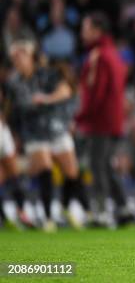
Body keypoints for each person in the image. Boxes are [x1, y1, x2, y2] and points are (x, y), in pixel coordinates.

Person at [6, 39, 91, 231]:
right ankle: (47, 218)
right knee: (45, 168)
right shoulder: (13, 83)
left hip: (56, 128)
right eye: (14, 58)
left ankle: (67, 208)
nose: (17, 61)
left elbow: (66, 90)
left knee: (72, 172)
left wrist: (46, 99)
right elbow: (17, 108)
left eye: (20, 56)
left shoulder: (47, 73)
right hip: (33, 132)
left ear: (30, 56)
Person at [76, 12, 135, 227]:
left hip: (100, 122)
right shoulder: (113, 53)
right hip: (113, 121)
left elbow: (96, 93)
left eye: (85, 28)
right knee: (106, 167)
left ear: (96, 30)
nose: (82, 33)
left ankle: (101, 213)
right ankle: (123, 209)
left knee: (97, 166)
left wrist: (80, 117)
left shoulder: (98, 55)